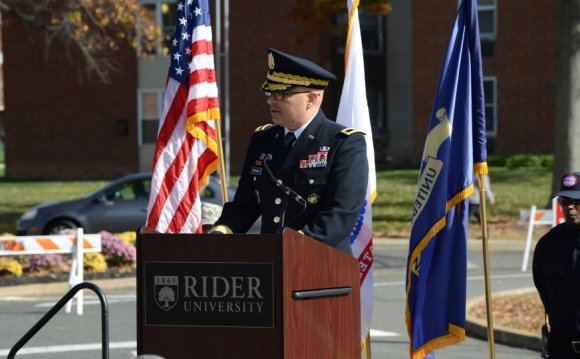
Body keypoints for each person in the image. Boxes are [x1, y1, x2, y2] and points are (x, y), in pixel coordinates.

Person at [211, 48, 368, 255]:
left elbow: (340, 215)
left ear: (311, 99)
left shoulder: (344, 143)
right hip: (271, 264)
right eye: (269, 92)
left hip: (321, 264)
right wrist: (221, 231)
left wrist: (295, 246)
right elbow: (245, 204)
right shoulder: (263, 140)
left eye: (281, 93)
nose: (271, 100)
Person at [533, 171, 580, 358]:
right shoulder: (548, 245)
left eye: (576, 202)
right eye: (565, 202)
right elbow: (544, 293)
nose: (570, 208)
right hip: (561, 350)